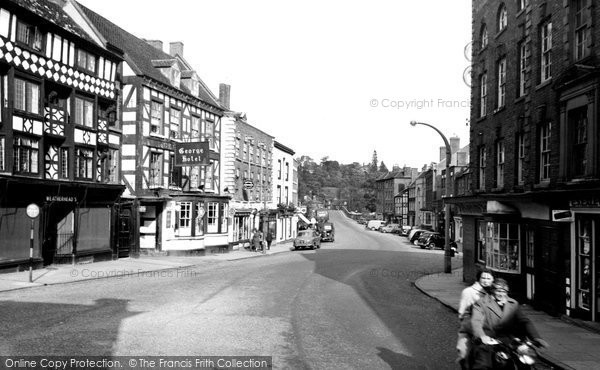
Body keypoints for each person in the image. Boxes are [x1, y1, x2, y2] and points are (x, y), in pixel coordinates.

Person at [470, 278, 548, 369]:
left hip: (511, 341)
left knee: (526, 363)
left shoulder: (513, 303)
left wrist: (536, 337)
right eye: (498, 291)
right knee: (483, 364)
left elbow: (524, 321)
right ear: (492, 290)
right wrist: (481, 336)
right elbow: (476, 321)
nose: (502, 294)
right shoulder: (481, 303)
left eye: (504, 291)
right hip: (490, 341)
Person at [456, 269, 494, 369]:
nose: (486, 281)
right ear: (478, 278)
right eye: (483, 278)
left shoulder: (493, 293)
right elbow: (462, 313)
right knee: (464, 353)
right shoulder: (468, 292)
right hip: (469, 328)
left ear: (493, 280)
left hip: (488, 329)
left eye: (488, 278)